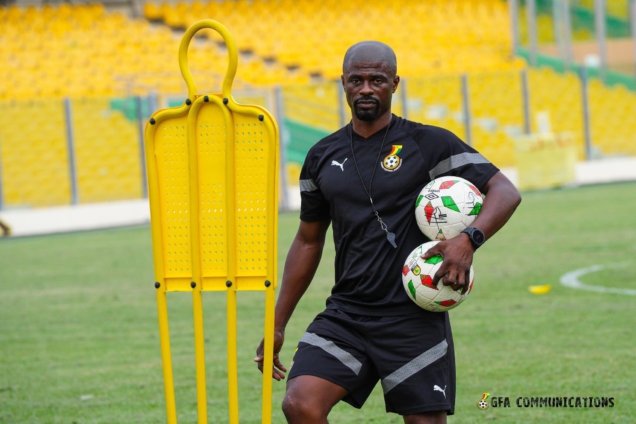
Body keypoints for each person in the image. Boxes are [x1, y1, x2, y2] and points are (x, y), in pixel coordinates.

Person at [255, 41, 522, 424]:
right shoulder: (320, 156)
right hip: (347, 313)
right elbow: (307, 241)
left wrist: (468, 240)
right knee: (300, 405)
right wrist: (276, 324)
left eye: (376, 79)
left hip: (413, 316)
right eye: (357, 80)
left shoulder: (430, 143)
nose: (366, 88)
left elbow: (505, 191)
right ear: (343, 83)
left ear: (394, 83)